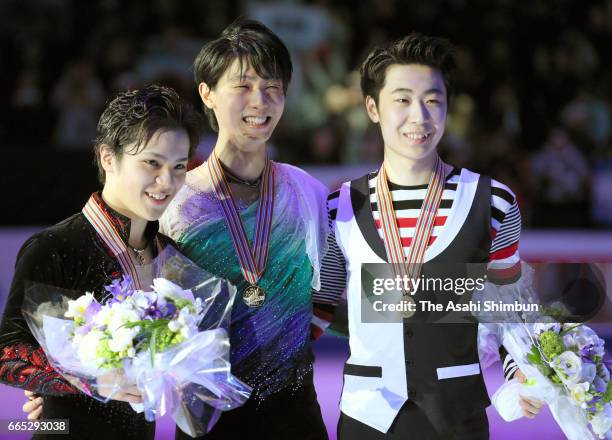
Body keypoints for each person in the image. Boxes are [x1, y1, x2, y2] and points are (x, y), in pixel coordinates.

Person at [310, 34, 543, 439]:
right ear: (372, 108)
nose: (419, 115)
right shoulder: (338, 208)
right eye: (401, 99)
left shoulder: (493, 203)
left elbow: (508, 309)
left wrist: (520, 368)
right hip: (368, 418)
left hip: (457, 417)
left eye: (432, 100)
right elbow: (320, 307)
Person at [159, 19, 329, 440]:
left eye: (273, 87)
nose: (261, 100)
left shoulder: (306, 191)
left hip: (295, 415)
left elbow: (332, 289)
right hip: (208, 416)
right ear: (207, 93)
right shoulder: (175, 201)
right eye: (244, 86)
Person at [0, 85, 202, 439]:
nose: (167, 181)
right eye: (152, 163)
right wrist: (85, 379)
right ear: (108, 157)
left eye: (179, 166)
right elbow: (7, 353)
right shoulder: (55, 247)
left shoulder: (173, 256)